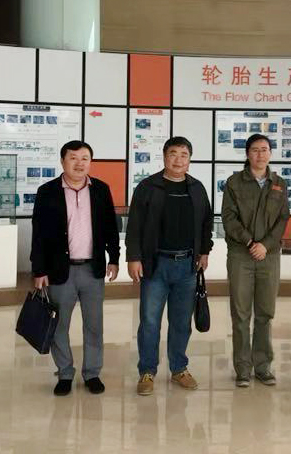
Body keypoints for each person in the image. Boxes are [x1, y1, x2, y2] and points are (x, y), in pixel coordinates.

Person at [30, 140, 120, 396]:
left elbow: (111, 228)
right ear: (62, 161)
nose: (79, 163)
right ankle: (65, 373)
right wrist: (39, 270)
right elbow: (39, 234)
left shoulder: (100, 189)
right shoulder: (47, 191)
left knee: (94, 325)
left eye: (85, 158)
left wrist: (114, 258)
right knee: (59, 326)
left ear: (90, 162)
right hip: (60, 271)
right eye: (73, 158)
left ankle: (92, 373)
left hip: (93, 269)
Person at [126, 136, 214, 396]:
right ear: (164, 156)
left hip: (187, 266)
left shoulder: (196, 188)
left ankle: (179, 368)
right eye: (173, 153)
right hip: (155, 265)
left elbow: (206, 222)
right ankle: (147, 371)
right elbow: (135, 225)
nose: (178, 159)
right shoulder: (148, 187)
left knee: (181, 322)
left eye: (184, 155)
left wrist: (204, 251)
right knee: (150, 321)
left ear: (189, 159)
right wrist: (134, 257)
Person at [221, 134, 290, 388]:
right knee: (240, 314)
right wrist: (251, 242)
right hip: (241, 254)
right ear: (247, 154)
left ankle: (262, 366)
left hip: (268, 256)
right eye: (255, 150)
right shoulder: (234, 183)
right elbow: (228, 218)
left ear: (270, 153)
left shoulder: (279, 184)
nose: (260, 155)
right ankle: (242, 369)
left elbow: (282, 219)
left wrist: (266, 245)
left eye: (264, 149)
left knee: (265, 313)